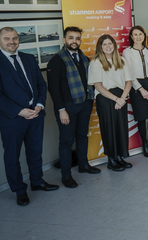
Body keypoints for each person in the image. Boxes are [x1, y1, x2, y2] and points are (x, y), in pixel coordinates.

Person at [0, 27, 57, 206]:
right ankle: (19, 190)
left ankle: (37, 181)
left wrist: (39, 105)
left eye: (15, 38)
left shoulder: (29, 59)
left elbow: (41, 84)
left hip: (36, 115)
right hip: (11, 119)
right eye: (7, 38)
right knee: (12, 157)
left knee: (35, 152)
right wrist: (20, 111)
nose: (12, 42)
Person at [47, 26, 101, 188]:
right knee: (66, 141)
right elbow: (54, 89)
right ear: (64, 40)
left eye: (77, 38)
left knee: (82, 135)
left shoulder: (83, 58)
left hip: (84, 103)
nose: (74, 41)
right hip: (67, 107)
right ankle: (66, 175)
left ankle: (83, 165)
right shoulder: (56, 61)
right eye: (71, 38)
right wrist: (61, 110)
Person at [88, 34, 134, 171]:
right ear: (100, 47)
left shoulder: (122, 60)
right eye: (104, 44)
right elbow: (98, 86)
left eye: (110, 43)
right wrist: (116, 99)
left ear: (114, 45)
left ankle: (120, 156)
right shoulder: (96, 63)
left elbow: (129, 82)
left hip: (121, 97)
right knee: (109, 130)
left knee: (121, 128)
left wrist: (123, 98)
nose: (108, 46)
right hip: (106, 99)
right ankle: (111, 159)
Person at [122, 26, 148, 158]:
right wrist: (141, 89)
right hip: (136, 87)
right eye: (135, 35)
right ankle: (145, 144)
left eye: (141, 34)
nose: (138, 37)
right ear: (131, 37)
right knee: (142, 118)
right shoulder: (127, 52)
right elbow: (129, 73)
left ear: (144, 36)